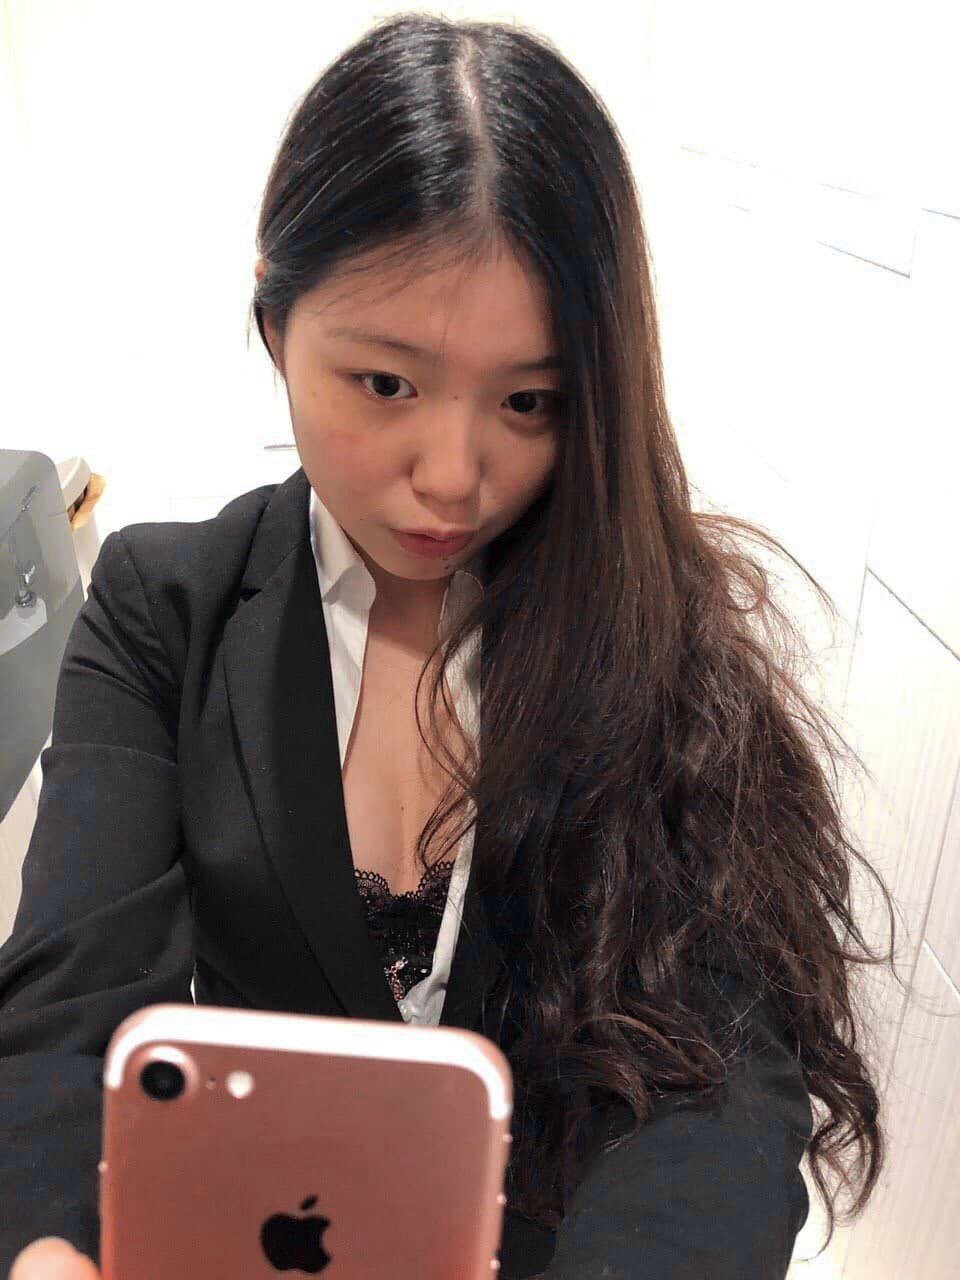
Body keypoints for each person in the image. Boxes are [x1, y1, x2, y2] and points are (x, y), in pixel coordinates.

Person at [1, 13, 895, 1280]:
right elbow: (67, 1005)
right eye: (387, 384)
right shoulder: (165, 607)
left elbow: (720, 1081)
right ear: (276, 323)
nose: (455, 476)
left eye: (530, 400)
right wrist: (49, 1247)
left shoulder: (652, 631)